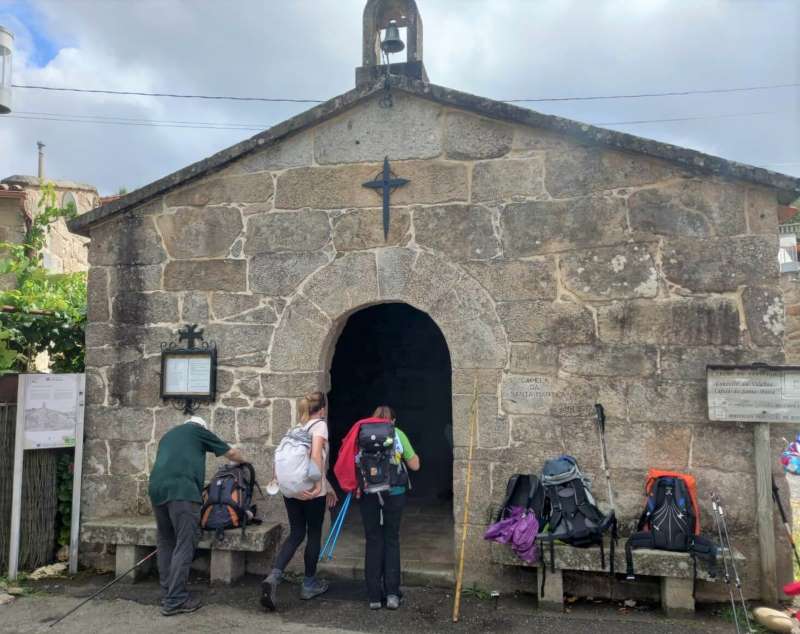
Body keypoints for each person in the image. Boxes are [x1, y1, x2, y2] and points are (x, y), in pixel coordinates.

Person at [148, 415, 246, 617]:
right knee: (185, 543)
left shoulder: (168, 435)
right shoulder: (197, 430)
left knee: (166, 541)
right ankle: (176, 599)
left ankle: (168, 591)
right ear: (201, 426)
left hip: (157, 490)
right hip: (182, 492)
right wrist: (245, 461)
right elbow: (231, 453)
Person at [260, 391, 337, 611]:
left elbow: (281, 458)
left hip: (290, 490)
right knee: (313, 533)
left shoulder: (295, 428)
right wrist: (316, 486)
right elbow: (314, 456)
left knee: (296, 533)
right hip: (310, 490)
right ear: (321, 409)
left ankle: (274, 577)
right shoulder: (319, 425)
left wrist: (327, 485)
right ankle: (309, 584)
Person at [359, 406, 420, 610]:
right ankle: (392, 594)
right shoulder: (398, 434)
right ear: (392, 420)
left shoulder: (362, 433)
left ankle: (374, 596)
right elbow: (415, 465)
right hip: (394, 494)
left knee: (373, 540)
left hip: (369, 495)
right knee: (391, 539)